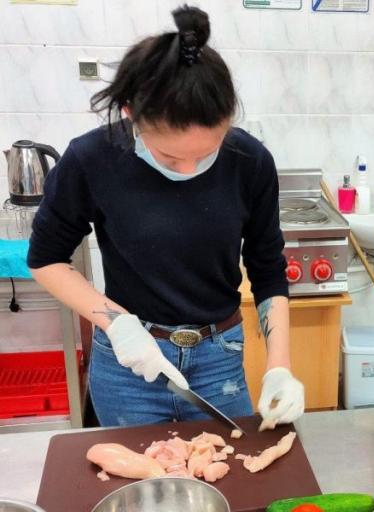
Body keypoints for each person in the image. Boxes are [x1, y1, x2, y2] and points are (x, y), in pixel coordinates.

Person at [27, 4, 304, 428]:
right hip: (128, 365)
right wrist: (117, 325)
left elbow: (268, 270)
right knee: (134, 486)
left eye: (207, 152)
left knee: (233, 480)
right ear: (130, 115)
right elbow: (46, 260)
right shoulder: (92, 158)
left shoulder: (249, 161)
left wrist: (279, 366)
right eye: (172, 157)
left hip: (220, 360)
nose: (189, 172)